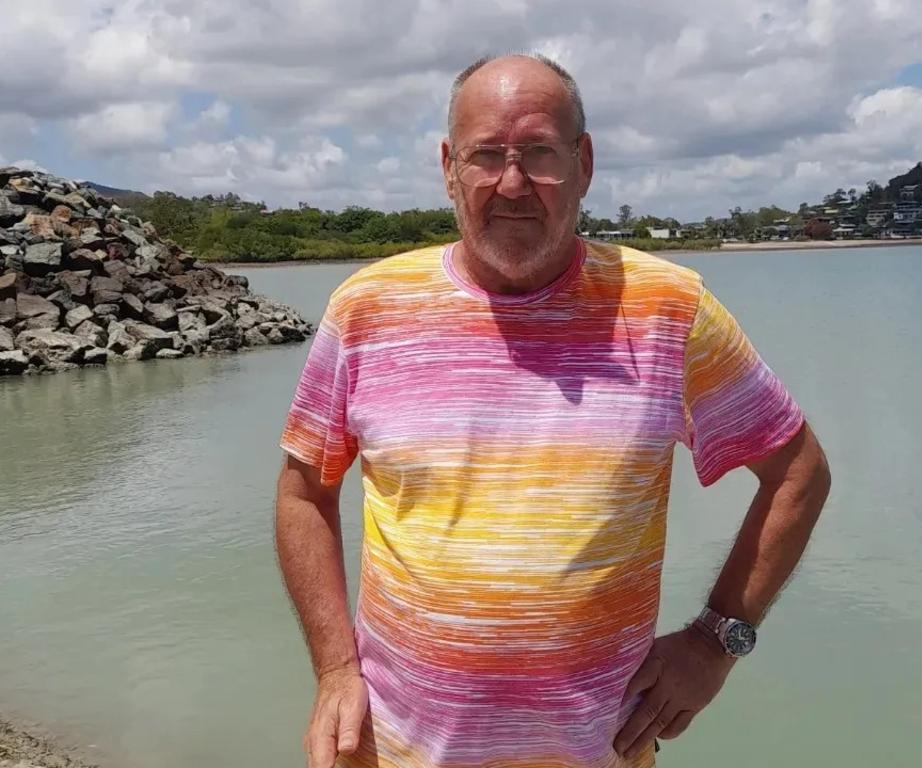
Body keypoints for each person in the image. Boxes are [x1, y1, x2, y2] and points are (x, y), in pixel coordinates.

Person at [275, 54, 831, 768]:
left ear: (583, 162)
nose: (512, 182)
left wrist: (715, 640)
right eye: (486, 155)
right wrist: (333, 670)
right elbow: (303, 492)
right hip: (393, 749)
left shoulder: (669, 310)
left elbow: (798, 473)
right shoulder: (366, 310)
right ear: (449, 167)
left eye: (538, 153)